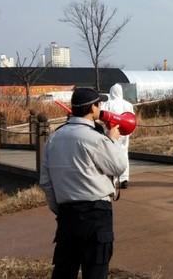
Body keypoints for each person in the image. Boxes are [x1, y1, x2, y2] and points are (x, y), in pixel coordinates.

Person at [40, 87, 127, 279]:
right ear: (93, 108)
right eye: (99, 104)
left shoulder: (53, 138)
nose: (100, 107)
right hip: (96, 214)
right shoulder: (95, 138)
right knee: (95, 270)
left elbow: (45, 182)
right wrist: (113, 141)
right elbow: (118, 166)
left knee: (64, 271)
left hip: (67, 215)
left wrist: (60, 209)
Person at [101, 84, 135, 189]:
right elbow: (132, 118)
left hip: (111, 131)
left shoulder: (107, 104)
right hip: (125, 131)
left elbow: (102, 117)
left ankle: (114, 179)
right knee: (124, 153)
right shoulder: (128, 104)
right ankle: (124, 178)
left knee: (111, 154)